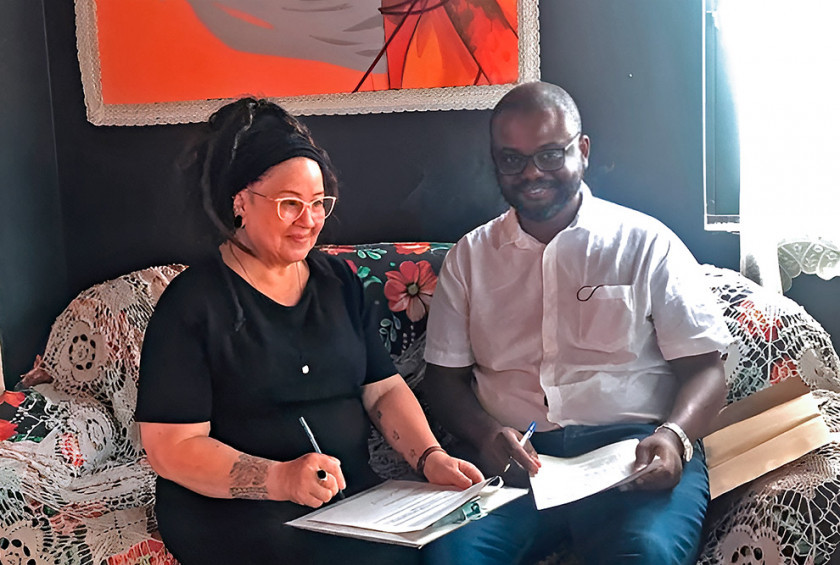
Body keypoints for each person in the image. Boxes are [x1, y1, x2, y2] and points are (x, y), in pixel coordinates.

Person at [134, 98, 483, 565]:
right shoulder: (193, 303)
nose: (309, 220)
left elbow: (382, 389)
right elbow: (171, 448)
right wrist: (278, 479)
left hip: (346, 498)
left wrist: (429, 458)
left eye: (318, 203)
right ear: (240, 202)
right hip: (234, 512)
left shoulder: (338, 282)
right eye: (290, 204)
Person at [422, 81, 733, 564]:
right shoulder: (470, 257)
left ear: (582, 151)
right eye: (512, 159)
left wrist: (673, 437)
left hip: (632, 457)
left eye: (550, 155)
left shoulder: (646, 244)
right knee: (450, 558)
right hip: (518, 464)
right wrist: (485, 434)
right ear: (495, 162)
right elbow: (443, 380)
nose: (531, 173)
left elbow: (706, 370)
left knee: (646, 556)